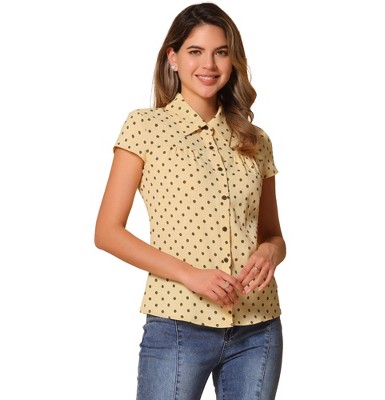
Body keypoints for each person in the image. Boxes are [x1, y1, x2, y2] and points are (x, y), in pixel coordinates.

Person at [95, 3, 286, 399]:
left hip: (258, 327)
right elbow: (107, 232)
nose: (209, 64)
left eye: (221, 52)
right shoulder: (144, 127)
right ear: (173, 57)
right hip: (178, 323)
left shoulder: (256, 140)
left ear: (233, 60)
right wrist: (190, 275)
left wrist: (271, 252)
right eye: (195, 51)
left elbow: (273, 234)